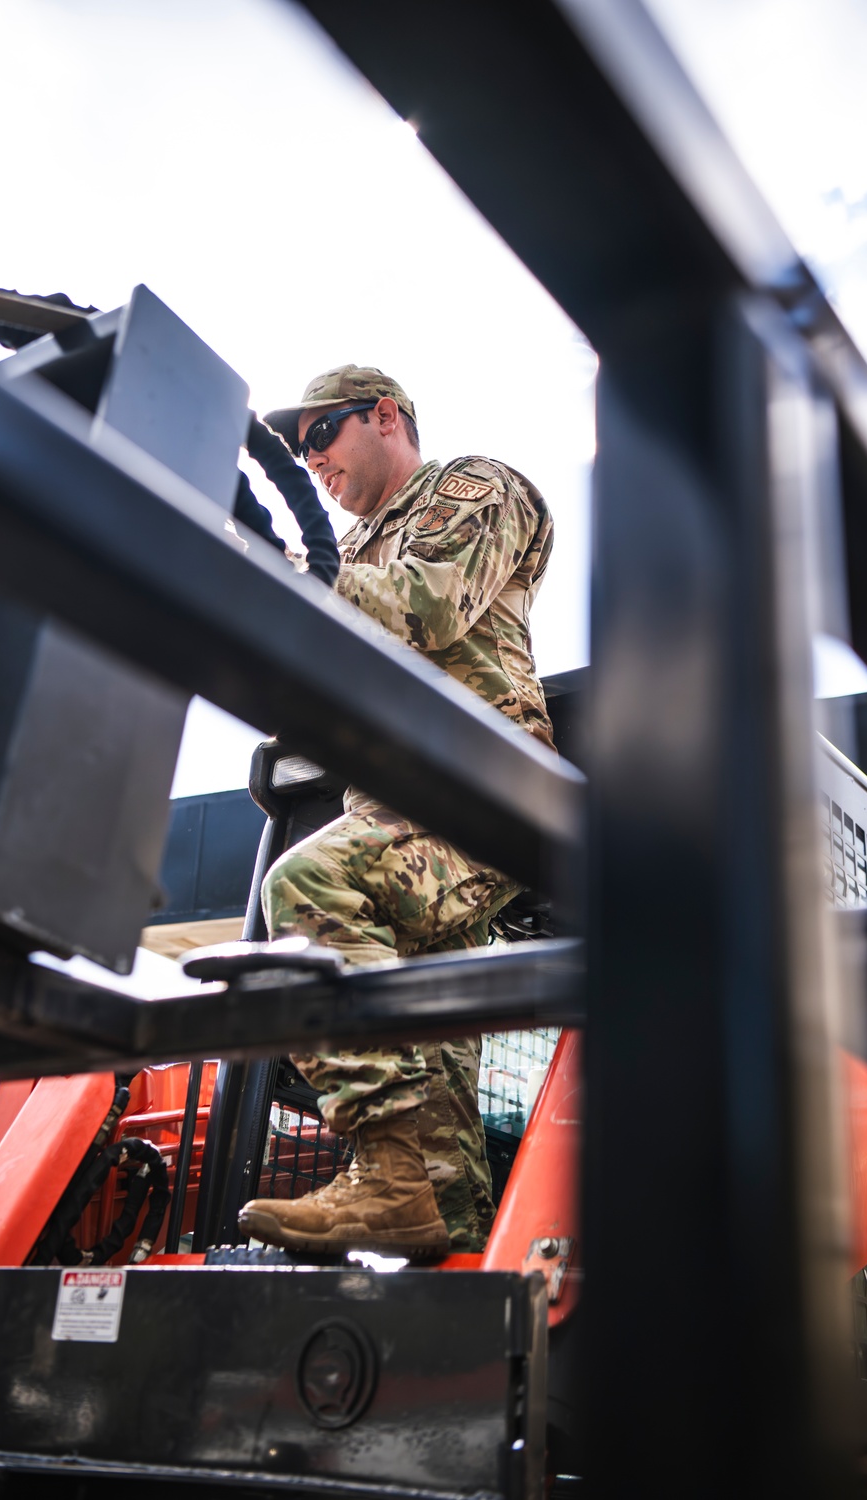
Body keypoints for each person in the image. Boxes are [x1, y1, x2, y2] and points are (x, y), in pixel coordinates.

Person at [237, 365, 555, 1258]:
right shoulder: (347, 550)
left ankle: (382, 1166)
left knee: (305, 888)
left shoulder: (473, 488)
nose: (311, 459)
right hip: (400, 804)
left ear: (385, 417)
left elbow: (433, 603)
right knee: (435, 1051)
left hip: (483, 791)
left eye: (322, 434)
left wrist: (297, 574)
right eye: (298, 448)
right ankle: (441, 1250)